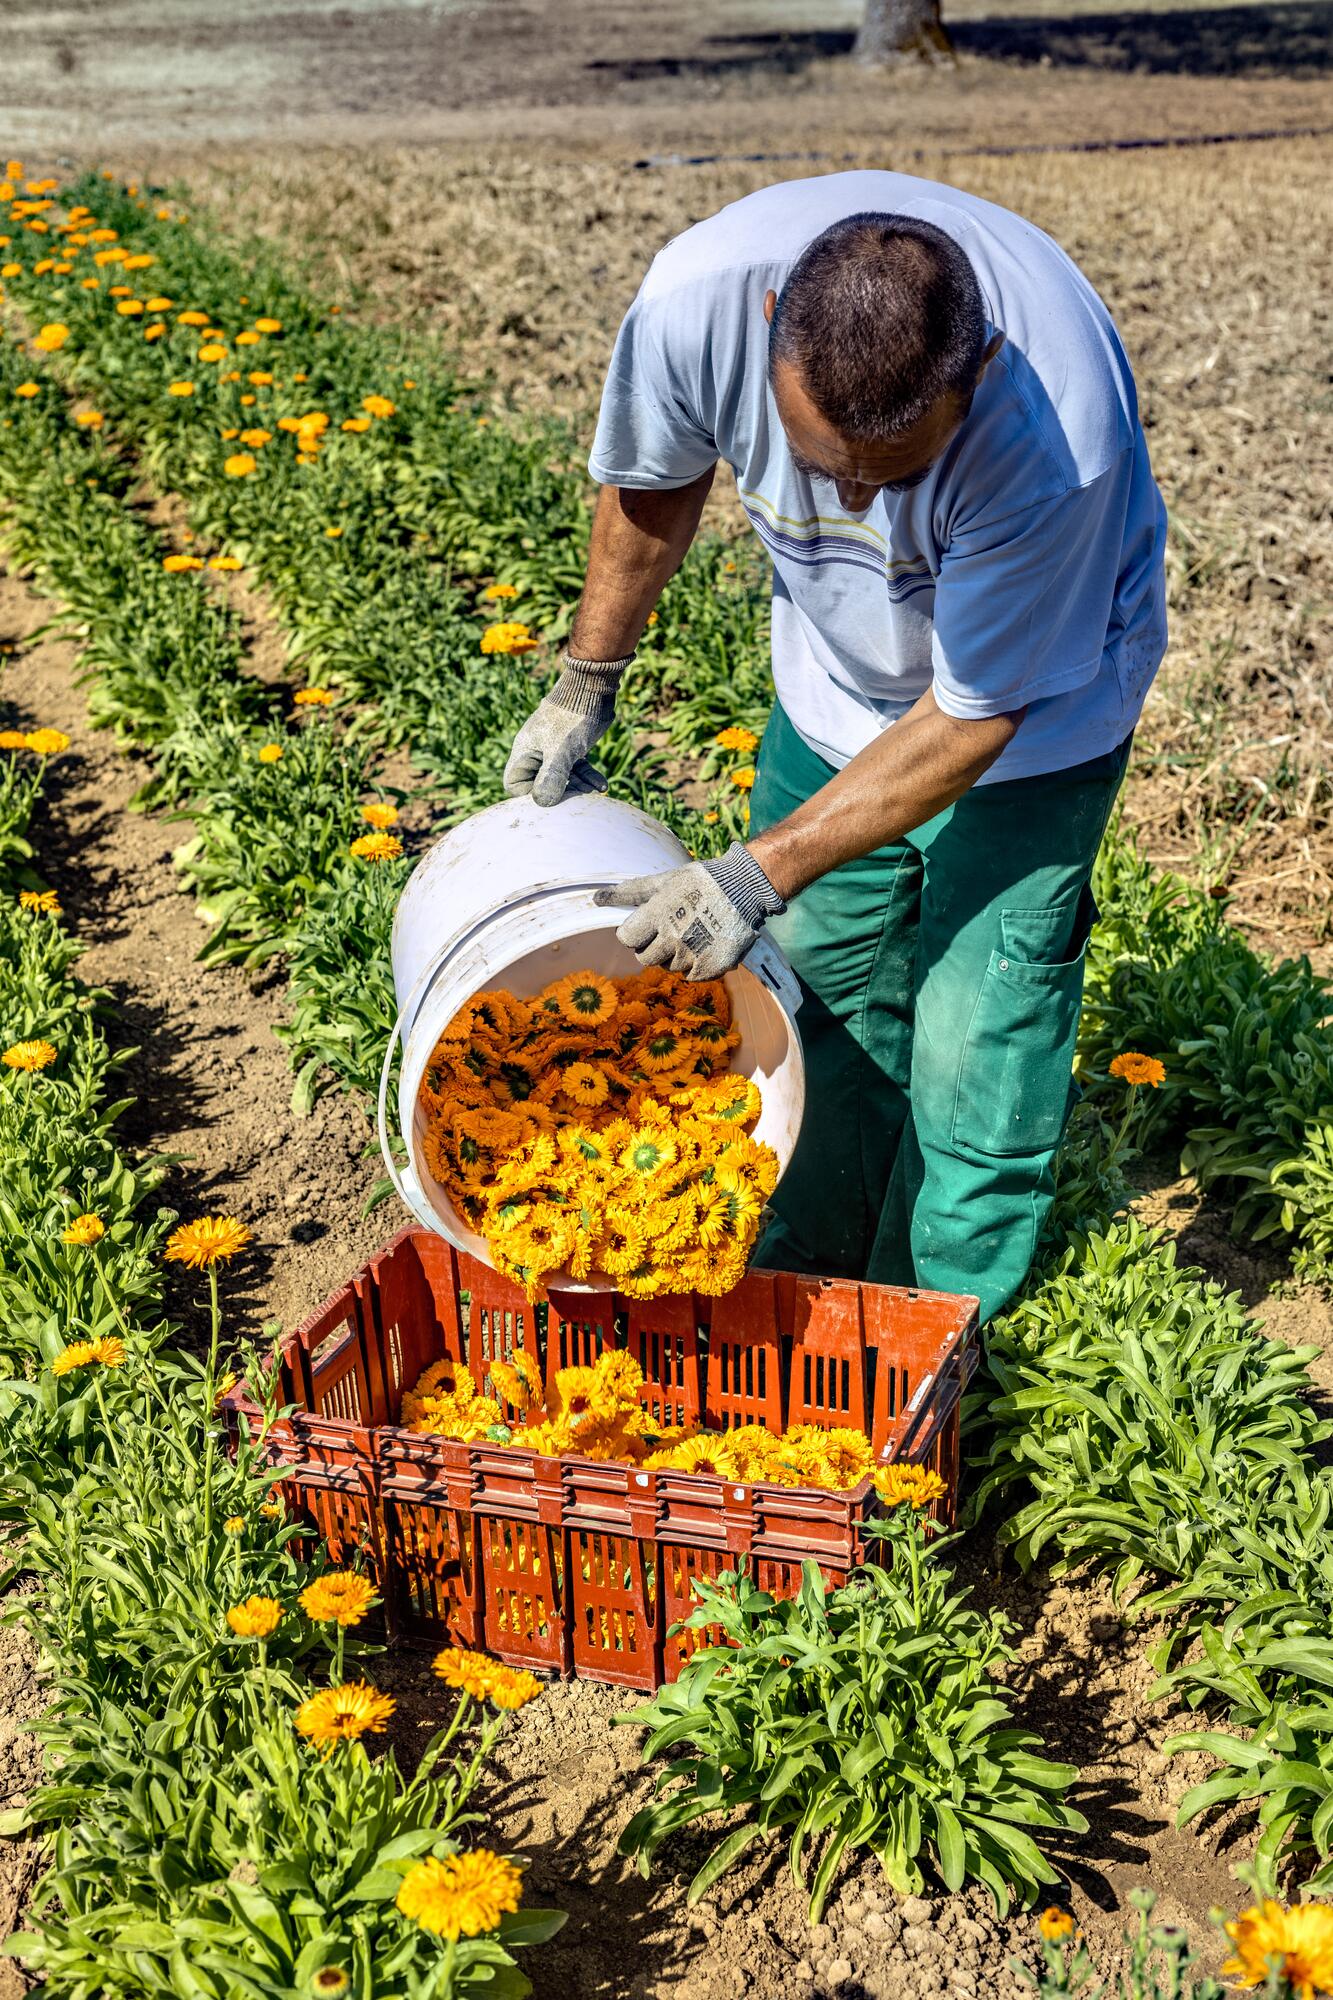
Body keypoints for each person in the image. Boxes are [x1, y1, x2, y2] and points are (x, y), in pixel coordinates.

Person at [503, 172, 1167, 1321]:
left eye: (892, 473)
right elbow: (655, 480)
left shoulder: (1058, 437)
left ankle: (936, 1339)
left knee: (977, 1050)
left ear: (975, 377)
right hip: (836, 693)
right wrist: (584, 682)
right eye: (824, 466)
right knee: (815, 1004)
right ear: (769, 328)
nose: (856, 503)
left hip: (1032, 724)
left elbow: (973, 716)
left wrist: (753, 870)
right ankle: (800, 1288)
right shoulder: (697, 304)